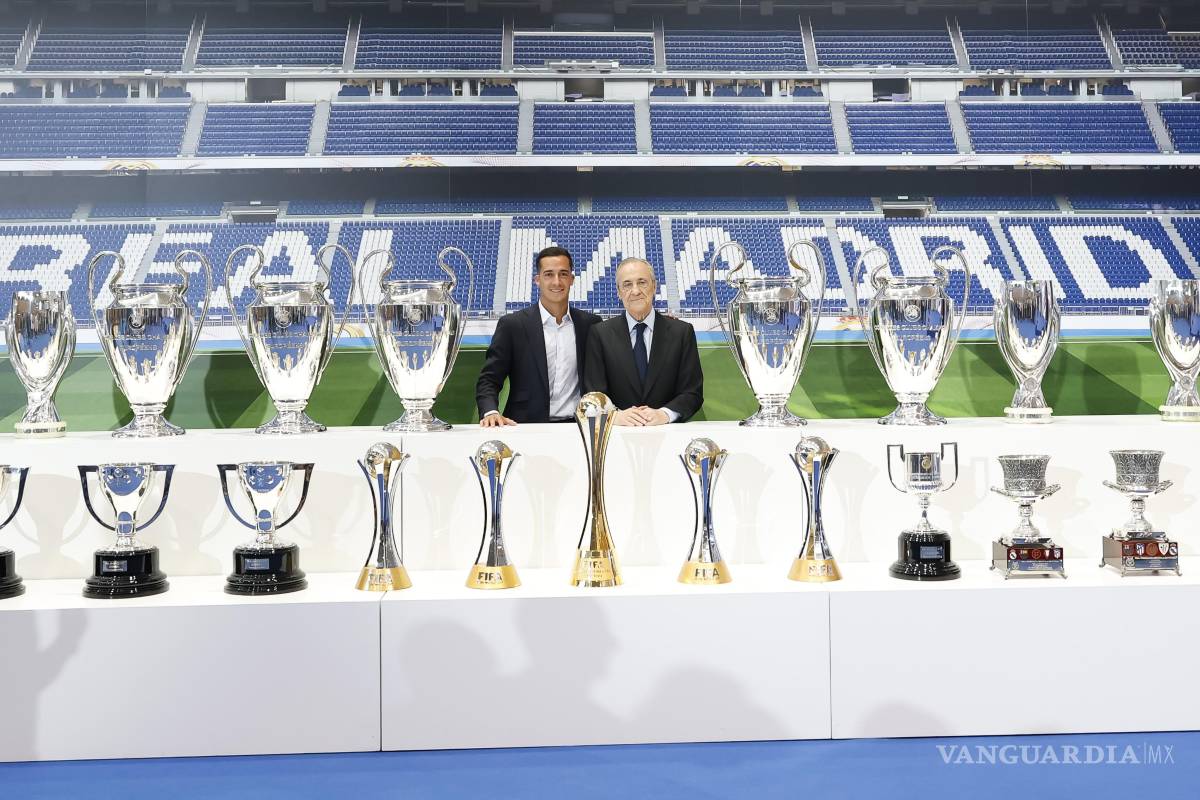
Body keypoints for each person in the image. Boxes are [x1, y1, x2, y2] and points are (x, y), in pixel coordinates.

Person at [476, 246, 602, 425]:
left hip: (578, 426)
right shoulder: (513, 325)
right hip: (526, 426)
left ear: (572, 279)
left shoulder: (590, 324)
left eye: (563, 274)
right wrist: (490, 411)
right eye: (549, 274)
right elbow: (489, 378)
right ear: (537, 280)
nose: (557, 282)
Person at [583, 257, 703, 425]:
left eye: (642, 282)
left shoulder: (682, 333)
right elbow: (594, 394)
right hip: (618, 433)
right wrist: (615, 416)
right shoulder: (600, 334)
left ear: (654, 286)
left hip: (667, 432)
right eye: (627, 284)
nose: (635, 291)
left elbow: (692, 393)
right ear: (618, 292)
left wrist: (664, 414)